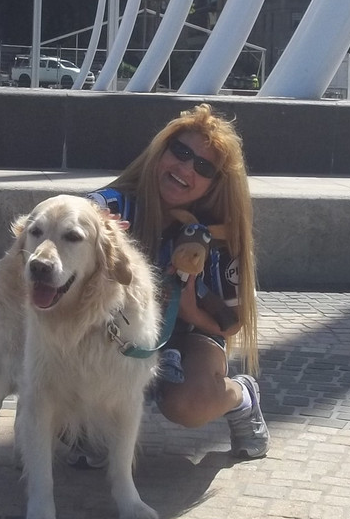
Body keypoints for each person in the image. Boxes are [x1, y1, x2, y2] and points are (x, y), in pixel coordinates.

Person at [84, 103, 268, 463]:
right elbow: (84, 209)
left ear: (215, 184)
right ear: (161, 150)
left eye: (203, 166)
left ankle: (241, 397)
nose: (185, 168)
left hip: (188, 332)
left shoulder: (221, 235)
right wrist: (88, 225)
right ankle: (89, 423)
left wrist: (189, 308)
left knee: (190, 404)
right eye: (180, 152)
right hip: (115, 331)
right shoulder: (120, 207)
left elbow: (232, 325)